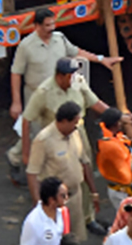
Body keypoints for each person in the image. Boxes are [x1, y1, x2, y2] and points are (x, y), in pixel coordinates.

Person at [9, 8, 116, 175]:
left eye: (53, 24)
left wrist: (101, 59)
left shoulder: (59, 39)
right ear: (37, 26)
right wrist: (16, 102)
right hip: (36, 94)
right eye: (47, 25)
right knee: (36, 133)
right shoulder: (26, 46)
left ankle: (65, 166)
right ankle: (20, 160)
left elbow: (76, 52)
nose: (51, 28)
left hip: (60, 92)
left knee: (62, 129)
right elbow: (16, 73)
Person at [27, 102, 100, 245]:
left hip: (75, 197)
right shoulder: (43, 140)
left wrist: (93, 192)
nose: (77, 125)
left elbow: (84, 162)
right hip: (55, 204)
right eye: (74, 122)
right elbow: (32, 173)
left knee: (76, 239)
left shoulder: (75, 133)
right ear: (65, 121)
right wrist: (39, 205)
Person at [21, 175, 70, 245]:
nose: (67, 198)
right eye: (63, 196)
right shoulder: (32, 222)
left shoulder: (63, 212)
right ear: (51, 200)